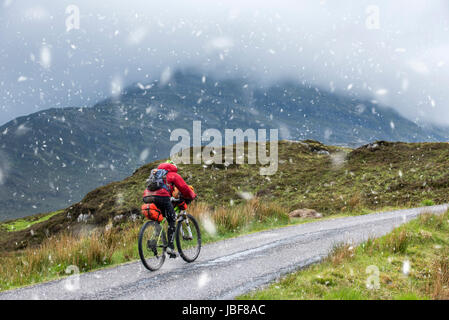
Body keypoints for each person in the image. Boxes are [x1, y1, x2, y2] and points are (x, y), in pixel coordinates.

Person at [143, 160, 196, 257]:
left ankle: (154, 240)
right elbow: (184, 188)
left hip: (147, 196)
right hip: (162, 196)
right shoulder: (172, 175)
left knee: (161, 217)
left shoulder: (156, 173)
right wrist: (192, 195)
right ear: (172, 167)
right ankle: (170, 247)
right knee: (172, 220)